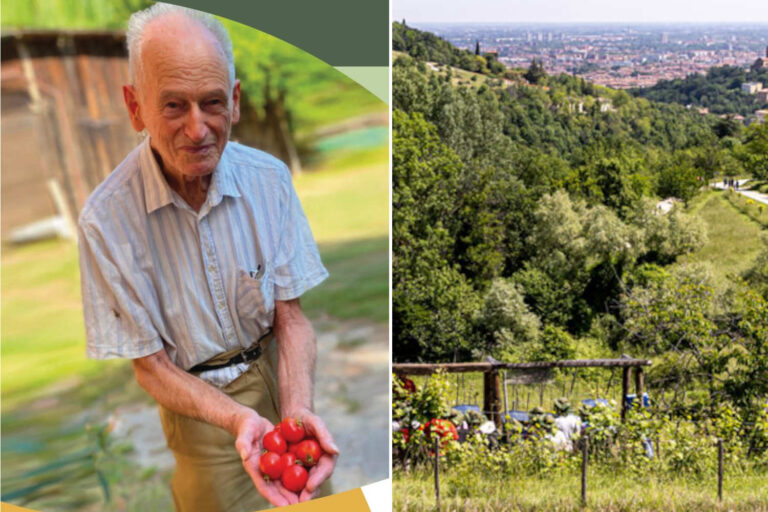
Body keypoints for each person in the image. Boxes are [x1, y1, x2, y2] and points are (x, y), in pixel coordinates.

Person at [77, 4, 336, 511]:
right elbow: (151, 368)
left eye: (212, 102)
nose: (198, 129)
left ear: (235, 101)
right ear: (136, 108)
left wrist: (298, 412)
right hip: (195, 409)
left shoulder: (269, 179)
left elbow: (292, 318)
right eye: (173, 106)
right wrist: (238, 419)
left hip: (277, 380)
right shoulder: (106, 220)